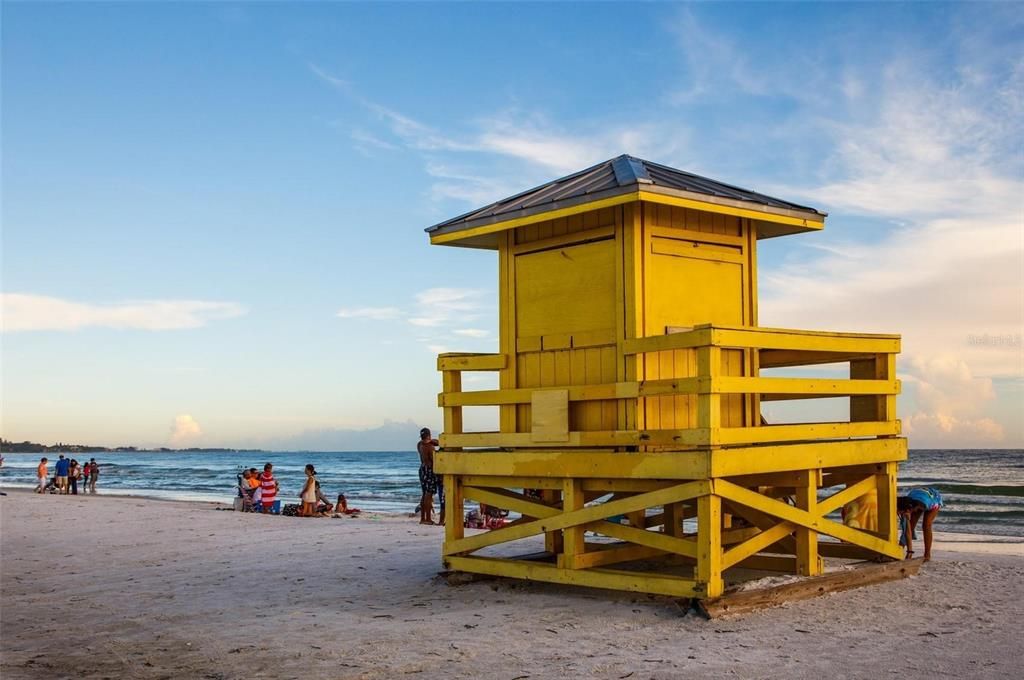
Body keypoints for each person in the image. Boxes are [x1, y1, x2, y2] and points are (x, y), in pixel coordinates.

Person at [899, 487, 944, 562]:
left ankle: (927, 554)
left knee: (926, 525)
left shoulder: (926, 504)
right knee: (909, 525)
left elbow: (919, 509)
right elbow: (907, 530)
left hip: (934, 498)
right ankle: (900, 550)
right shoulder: (906, 503)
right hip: (918, 496)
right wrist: (909, 551)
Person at [417, 428, 440, 525]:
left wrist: (431, 441)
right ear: (429, 435)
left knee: (424, 493)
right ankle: (428, 518)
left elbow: (437, 442)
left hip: (422, 469)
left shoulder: (419, 444)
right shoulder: (430, 447)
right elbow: (434, 461)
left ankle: (423, 518)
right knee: (429, 494)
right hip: (429, 469)